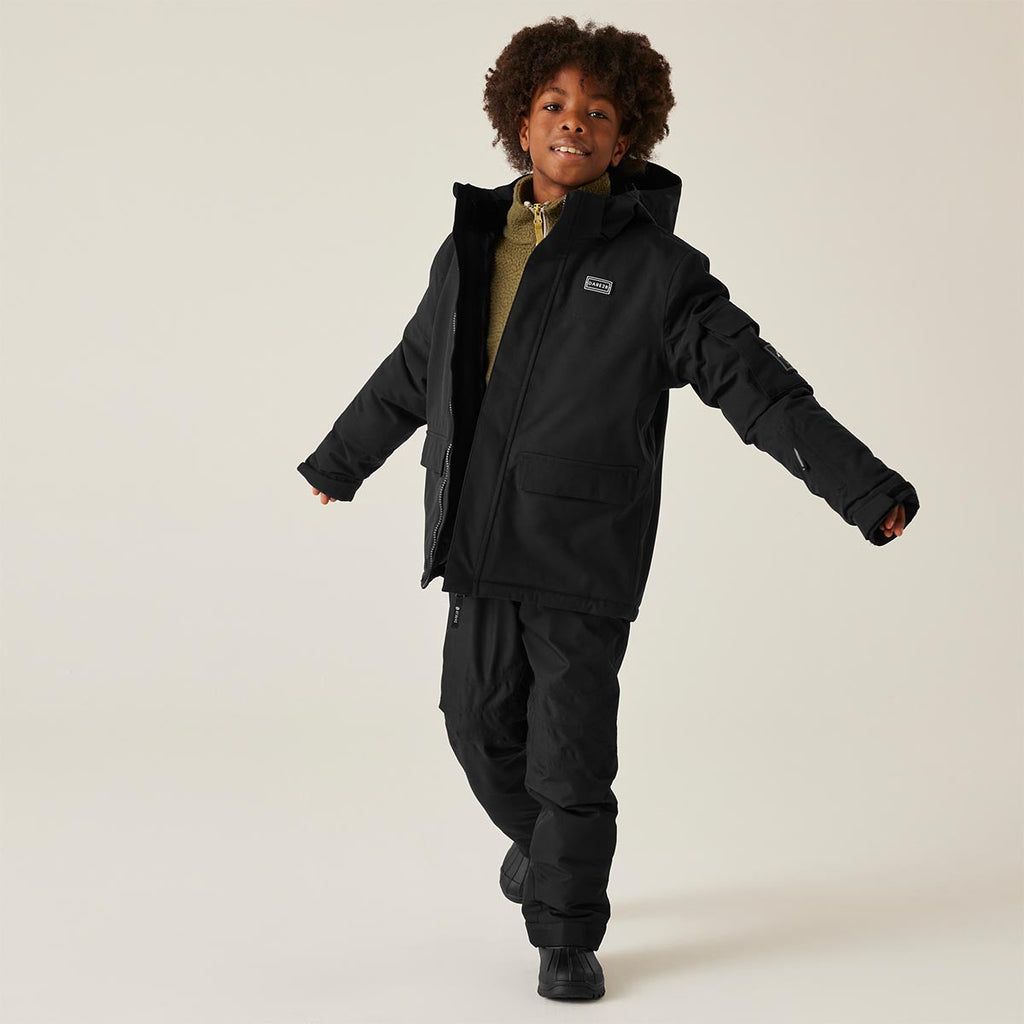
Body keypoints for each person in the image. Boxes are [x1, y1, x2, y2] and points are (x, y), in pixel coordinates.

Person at [297, 16, 920, 1002]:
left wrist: (864, 488)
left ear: (624, 138)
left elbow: (760, 388)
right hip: (477, 537)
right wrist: (342, 458)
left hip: (583, 549)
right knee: (473, 725)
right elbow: (416, 368)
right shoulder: (470, 247)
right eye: (554, 105)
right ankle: (548, 854)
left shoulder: (658, 273)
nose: (573, 123)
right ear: (520, 122)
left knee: (570, 757)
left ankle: (566, 933)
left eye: (597, 112)